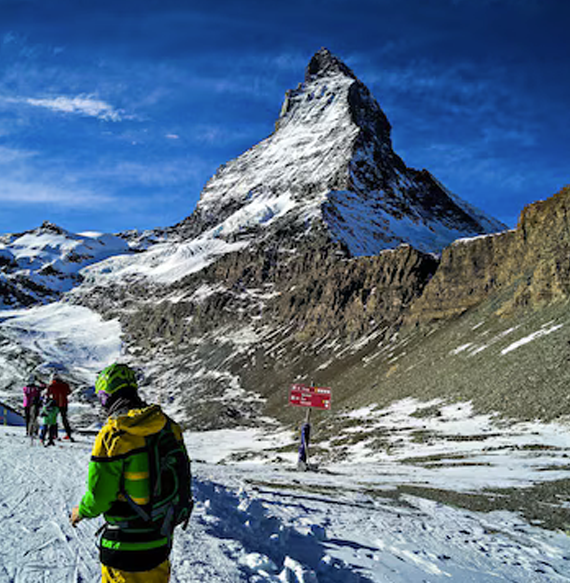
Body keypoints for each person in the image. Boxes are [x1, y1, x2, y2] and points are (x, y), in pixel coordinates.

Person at [70, 363, 192, 583]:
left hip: (123, 548)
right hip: (160, 541)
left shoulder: (114, 434)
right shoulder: (168, 426)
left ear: (107, 395)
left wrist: (82, 511)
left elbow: (100, 497)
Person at [47, 374, 73, 441]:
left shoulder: (52, 385)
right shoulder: (65, 385)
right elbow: (69, 392)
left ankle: (54, 434)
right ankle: (69, 434)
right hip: (64, 403)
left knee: (53, 419)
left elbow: (48, 394)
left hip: (55, 404)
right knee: (64, 419)